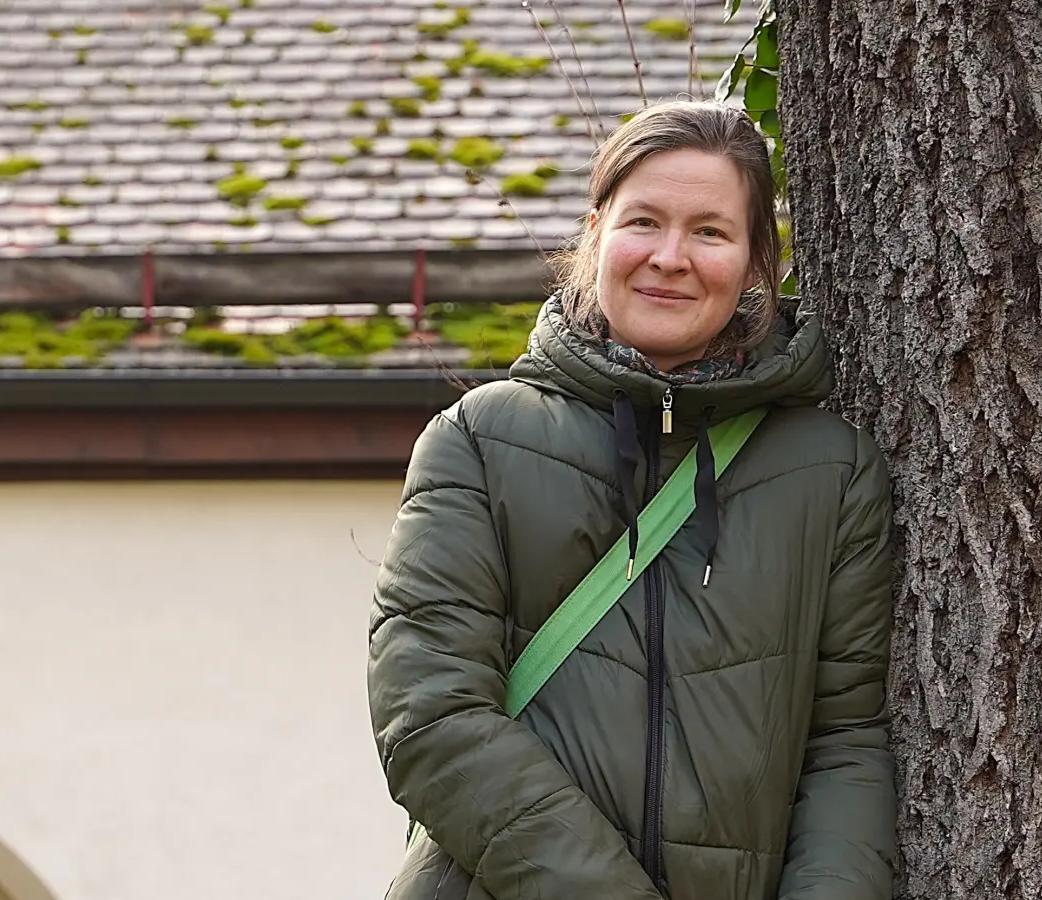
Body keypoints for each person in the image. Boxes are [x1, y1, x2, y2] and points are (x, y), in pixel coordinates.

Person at [366, 99, 897, 900]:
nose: (670, 257)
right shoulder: (478, 441)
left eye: (710, 232)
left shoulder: (831, 471)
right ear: (597, 234)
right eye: (643, 221)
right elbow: (429, 717)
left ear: (757, 263)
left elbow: (846, 742)